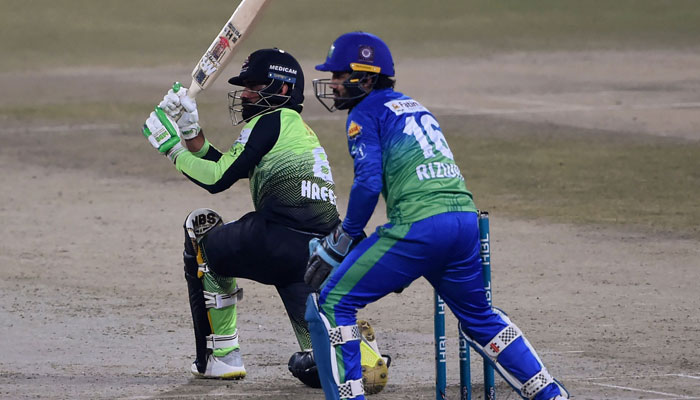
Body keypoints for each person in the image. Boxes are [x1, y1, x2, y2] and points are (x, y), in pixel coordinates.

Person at [303, 32, 570, 400]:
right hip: (464, 222)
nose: (332, 83)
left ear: (365, 77)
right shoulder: (413, 105)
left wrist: (346, 235)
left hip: (419, 228)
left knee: (333, 301)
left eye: (338, 75)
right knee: (479, 318)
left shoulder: (364, 113)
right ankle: (550, 394)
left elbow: (367, 182)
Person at [141, 48, 388, 390]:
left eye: (254, 85)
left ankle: (221, 357)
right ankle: (359, 354)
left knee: (202, 232)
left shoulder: (269, 121)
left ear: (283, 89)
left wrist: (172, 148)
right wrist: (191, 131)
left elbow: (216, 179)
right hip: (320, 256)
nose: (244, 93)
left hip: (276, 239)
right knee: (317, 362)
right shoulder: (295, 129)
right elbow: (228, 165)